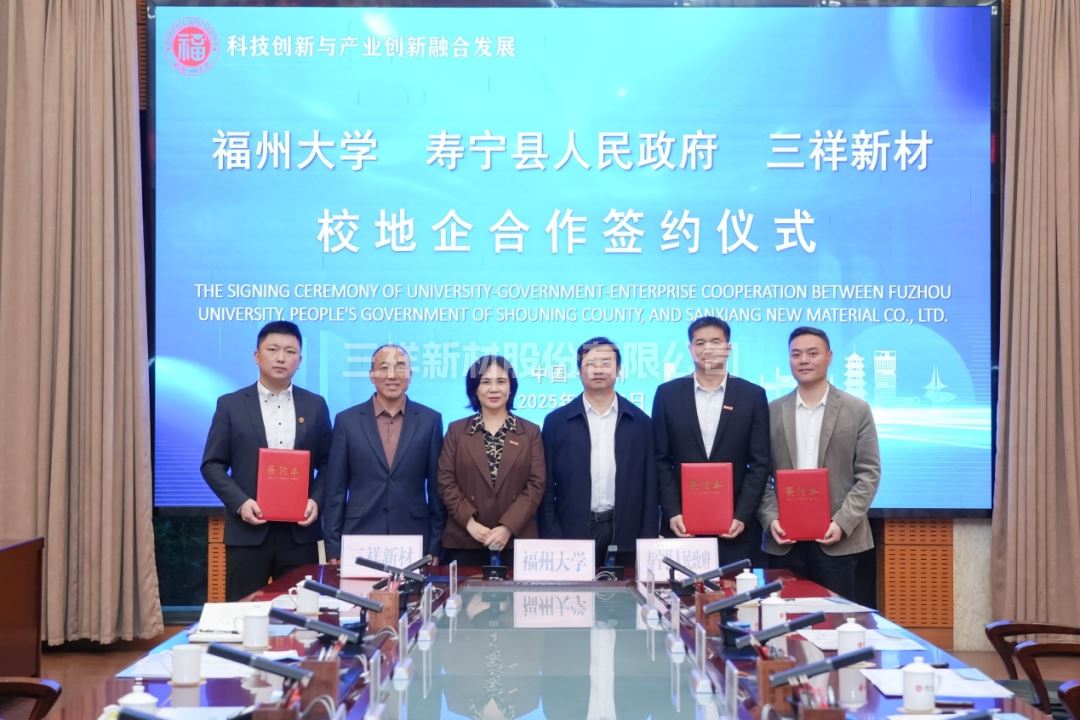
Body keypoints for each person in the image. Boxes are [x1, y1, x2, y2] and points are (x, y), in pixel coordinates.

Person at [201, 321, 332, 601]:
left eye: (290, 351)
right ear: (256, 355)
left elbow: (329, 463)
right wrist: (240, 503)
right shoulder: (231, 405)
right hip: (248, 532)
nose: (281, 357)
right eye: (273, 349)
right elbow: (212, 464)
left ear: (300, 360)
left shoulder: (315, 405)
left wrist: (317, 500)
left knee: (301, 612)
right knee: (243, 613)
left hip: (299, 535)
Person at [758, 326, 880, 598]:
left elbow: (868, 474)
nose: (804, 360)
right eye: (796, 354)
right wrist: (770, 518)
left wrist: (842, 522)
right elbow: (759, 474)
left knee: (835, 618)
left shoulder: (856, 409)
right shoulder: (771, 410)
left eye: (812, 353)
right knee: (784, 616)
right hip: (784, 538)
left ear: (829, 356)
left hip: (837, 538)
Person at [652, 316, 770, 565]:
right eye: (700, 343)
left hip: (736, 528)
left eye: (716, 342)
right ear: (690, 349)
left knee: (735, 589)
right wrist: (672, 511)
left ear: (729, 348)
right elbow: (660, 459)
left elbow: (759, 463)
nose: (707, 349)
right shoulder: (667, 394)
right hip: (682, 526)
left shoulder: (752, 395)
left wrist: (742, 515)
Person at [322, 344, 445, 563]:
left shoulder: (430, 420)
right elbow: (335, 490)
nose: (392, 375)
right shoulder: (347, 421)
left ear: (410, 375)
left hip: (414, 535)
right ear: (371, 375)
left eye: (400, 367)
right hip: (360, 534)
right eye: (384, 367)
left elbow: (437, 490)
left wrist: (436, 544)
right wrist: (333, 547)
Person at [539, 337, 658, 561]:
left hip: (625, 531)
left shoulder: (640, 422)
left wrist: (648, 538)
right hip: (571, 532)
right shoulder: (557, 422)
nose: (598, 370)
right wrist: (552, 535)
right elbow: (545, 487)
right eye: (591, 364)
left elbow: (650, 487)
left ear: (618, 369)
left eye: (606, 363)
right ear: (579, 371)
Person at [437, 355, 545, 566]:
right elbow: (445, 481)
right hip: (465, 540)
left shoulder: (530, 432)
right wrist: (470, 523)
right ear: (474, 389)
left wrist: (507, 527)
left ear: (511, 388)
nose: (494, 389)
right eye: (485, 382)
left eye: (501, 381)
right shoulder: (457, 431)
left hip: (516, 541)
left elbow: (536, 485)